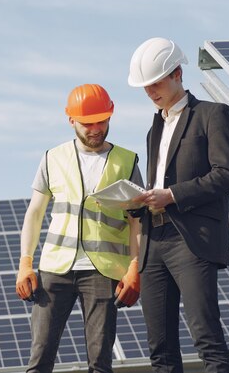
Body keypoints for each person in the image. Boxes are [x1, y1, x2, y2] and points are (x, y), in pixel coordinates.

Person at [127, 37, 229, 373]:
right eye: (145, 87)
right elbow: (158, 182)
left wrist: (172, 194)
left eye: (156, 83)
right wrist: (140, 200)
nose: (150, 92)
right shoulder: (154, 128)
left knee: (207, 339)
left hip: (191, 240)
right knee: (160, 350)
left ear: (177, 73)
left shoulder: (212, 114)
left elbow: (227, 175)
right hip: (153, 242)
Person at [15, 83, 143, 373]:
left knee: (100, 363)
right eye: (87, 123)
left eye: (102, 121)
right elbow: (35, 213)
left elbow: (137, 219)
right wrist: (25, 263)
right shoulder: (52, 158)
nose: (95, 128)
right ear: (70, 119)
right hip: (55, 269)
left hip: (105, 271)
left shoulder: (127, 160)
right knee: (39, 360)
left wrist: (135, 267)